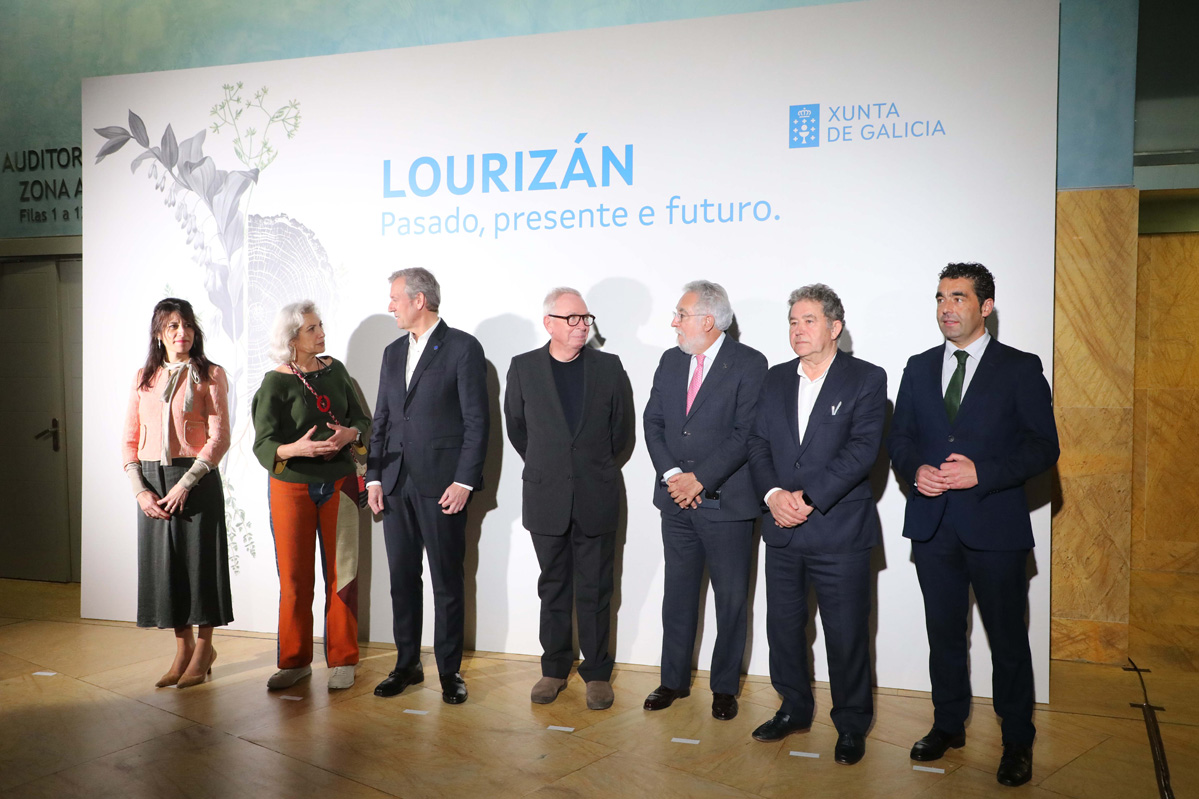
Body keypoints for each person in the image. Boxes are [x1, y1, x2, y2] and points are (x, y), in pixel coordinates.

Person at [887, 263, 1059, 788]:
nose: (946, 308)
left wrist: (982, 473)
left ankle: (1017, 740)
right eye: (941, 297)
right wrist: (914, 470)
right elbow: (900, 441)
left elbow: (1043, 448)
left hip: (995, 529)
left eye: (958, 297)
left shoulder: (1020, 367)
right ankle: (947, 724)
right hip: (932, 526)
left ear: (986, 306)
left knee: (1007, 642)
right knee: (943, 636)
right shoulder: (918, 367)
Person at [746, 284, 886, 765]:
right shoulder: (774, 378)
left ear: (834, 327)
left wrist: (807, 498)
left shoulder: (866, 378)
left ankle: (850, 723)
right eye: (793, 321)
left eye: (808, 320)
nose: (798, 330)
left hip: (839, 531)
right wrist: (772, 495)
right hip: (782, 529)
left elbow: (862, 451)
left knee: (846, 634)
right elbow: (757, 443)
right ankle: (793, 708)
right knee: (783, 628)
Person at [641, 281, 767, 721]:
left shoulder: (750, 363)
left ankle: (724, 687)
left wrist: (701, 479)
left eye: (681, 314)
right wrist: (674, 476)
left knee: (730, 600)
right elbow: (653, 422)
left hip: (727, 505)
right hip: (675, 501)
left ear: (708, 321)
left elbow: (747, 434)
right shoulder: (670, 360)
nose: (673, 322)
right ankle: (672, 680)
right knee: (677, 596)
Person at [504, 287, 632, 710]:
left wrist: (587, 467)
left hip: (597, 494)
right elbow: (518, 430)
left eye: (585, 318)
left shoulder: (609, 367)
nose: (582, 326)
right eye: (572, 318)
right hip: (546, 495)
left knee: (596, 589)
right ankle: (554, 669)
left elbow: (622, 434)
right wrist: (553, 465)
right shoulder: (523, 368)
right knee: (553, 586)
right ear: (549, 323)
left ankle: (597, 673)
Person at [366, 268, 489, 705]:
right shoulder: (391, 352)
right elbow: (382, 418)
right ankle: (407, 665)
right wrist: (374, 476)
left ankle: (450, 671)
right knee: (402, 580)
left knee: (447, 582)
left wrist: (464, 481)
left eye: (395, 297)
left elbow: (477, 422)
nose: (390, 306)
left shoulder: (462, 348)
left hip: (443, 487)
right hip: (395, 484)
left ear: (419, 300)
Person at [251, 301, 369, 691]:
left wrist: (351, 434)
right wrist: (295, 449)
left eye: (321, 326)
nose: (321, 333)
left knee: (343, 575)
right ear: (292, 339)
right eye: (312, 329)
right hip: (291, 488)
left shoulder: (337, 371)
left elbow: (361, 420)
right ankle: (294, 662)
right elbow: (264, 444)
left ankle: (343, 660)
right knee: (295, 579)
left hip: (340, 485)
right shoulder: (274, 383)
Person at [121, 297, 232, 689]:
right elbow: (129, 439)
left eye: (187, 325)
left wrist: (187, 482)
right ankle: (182, 650)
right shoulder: (144, 377)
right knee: (167, 570)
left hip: (196, 479)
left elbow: (219, 437)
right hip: (152, 481)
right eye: (172, 326)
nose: (181, 333)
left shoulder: (211, 374)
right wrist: (140, 491)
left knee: (201, 567)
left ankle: (204, 649)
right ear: (159, 333)